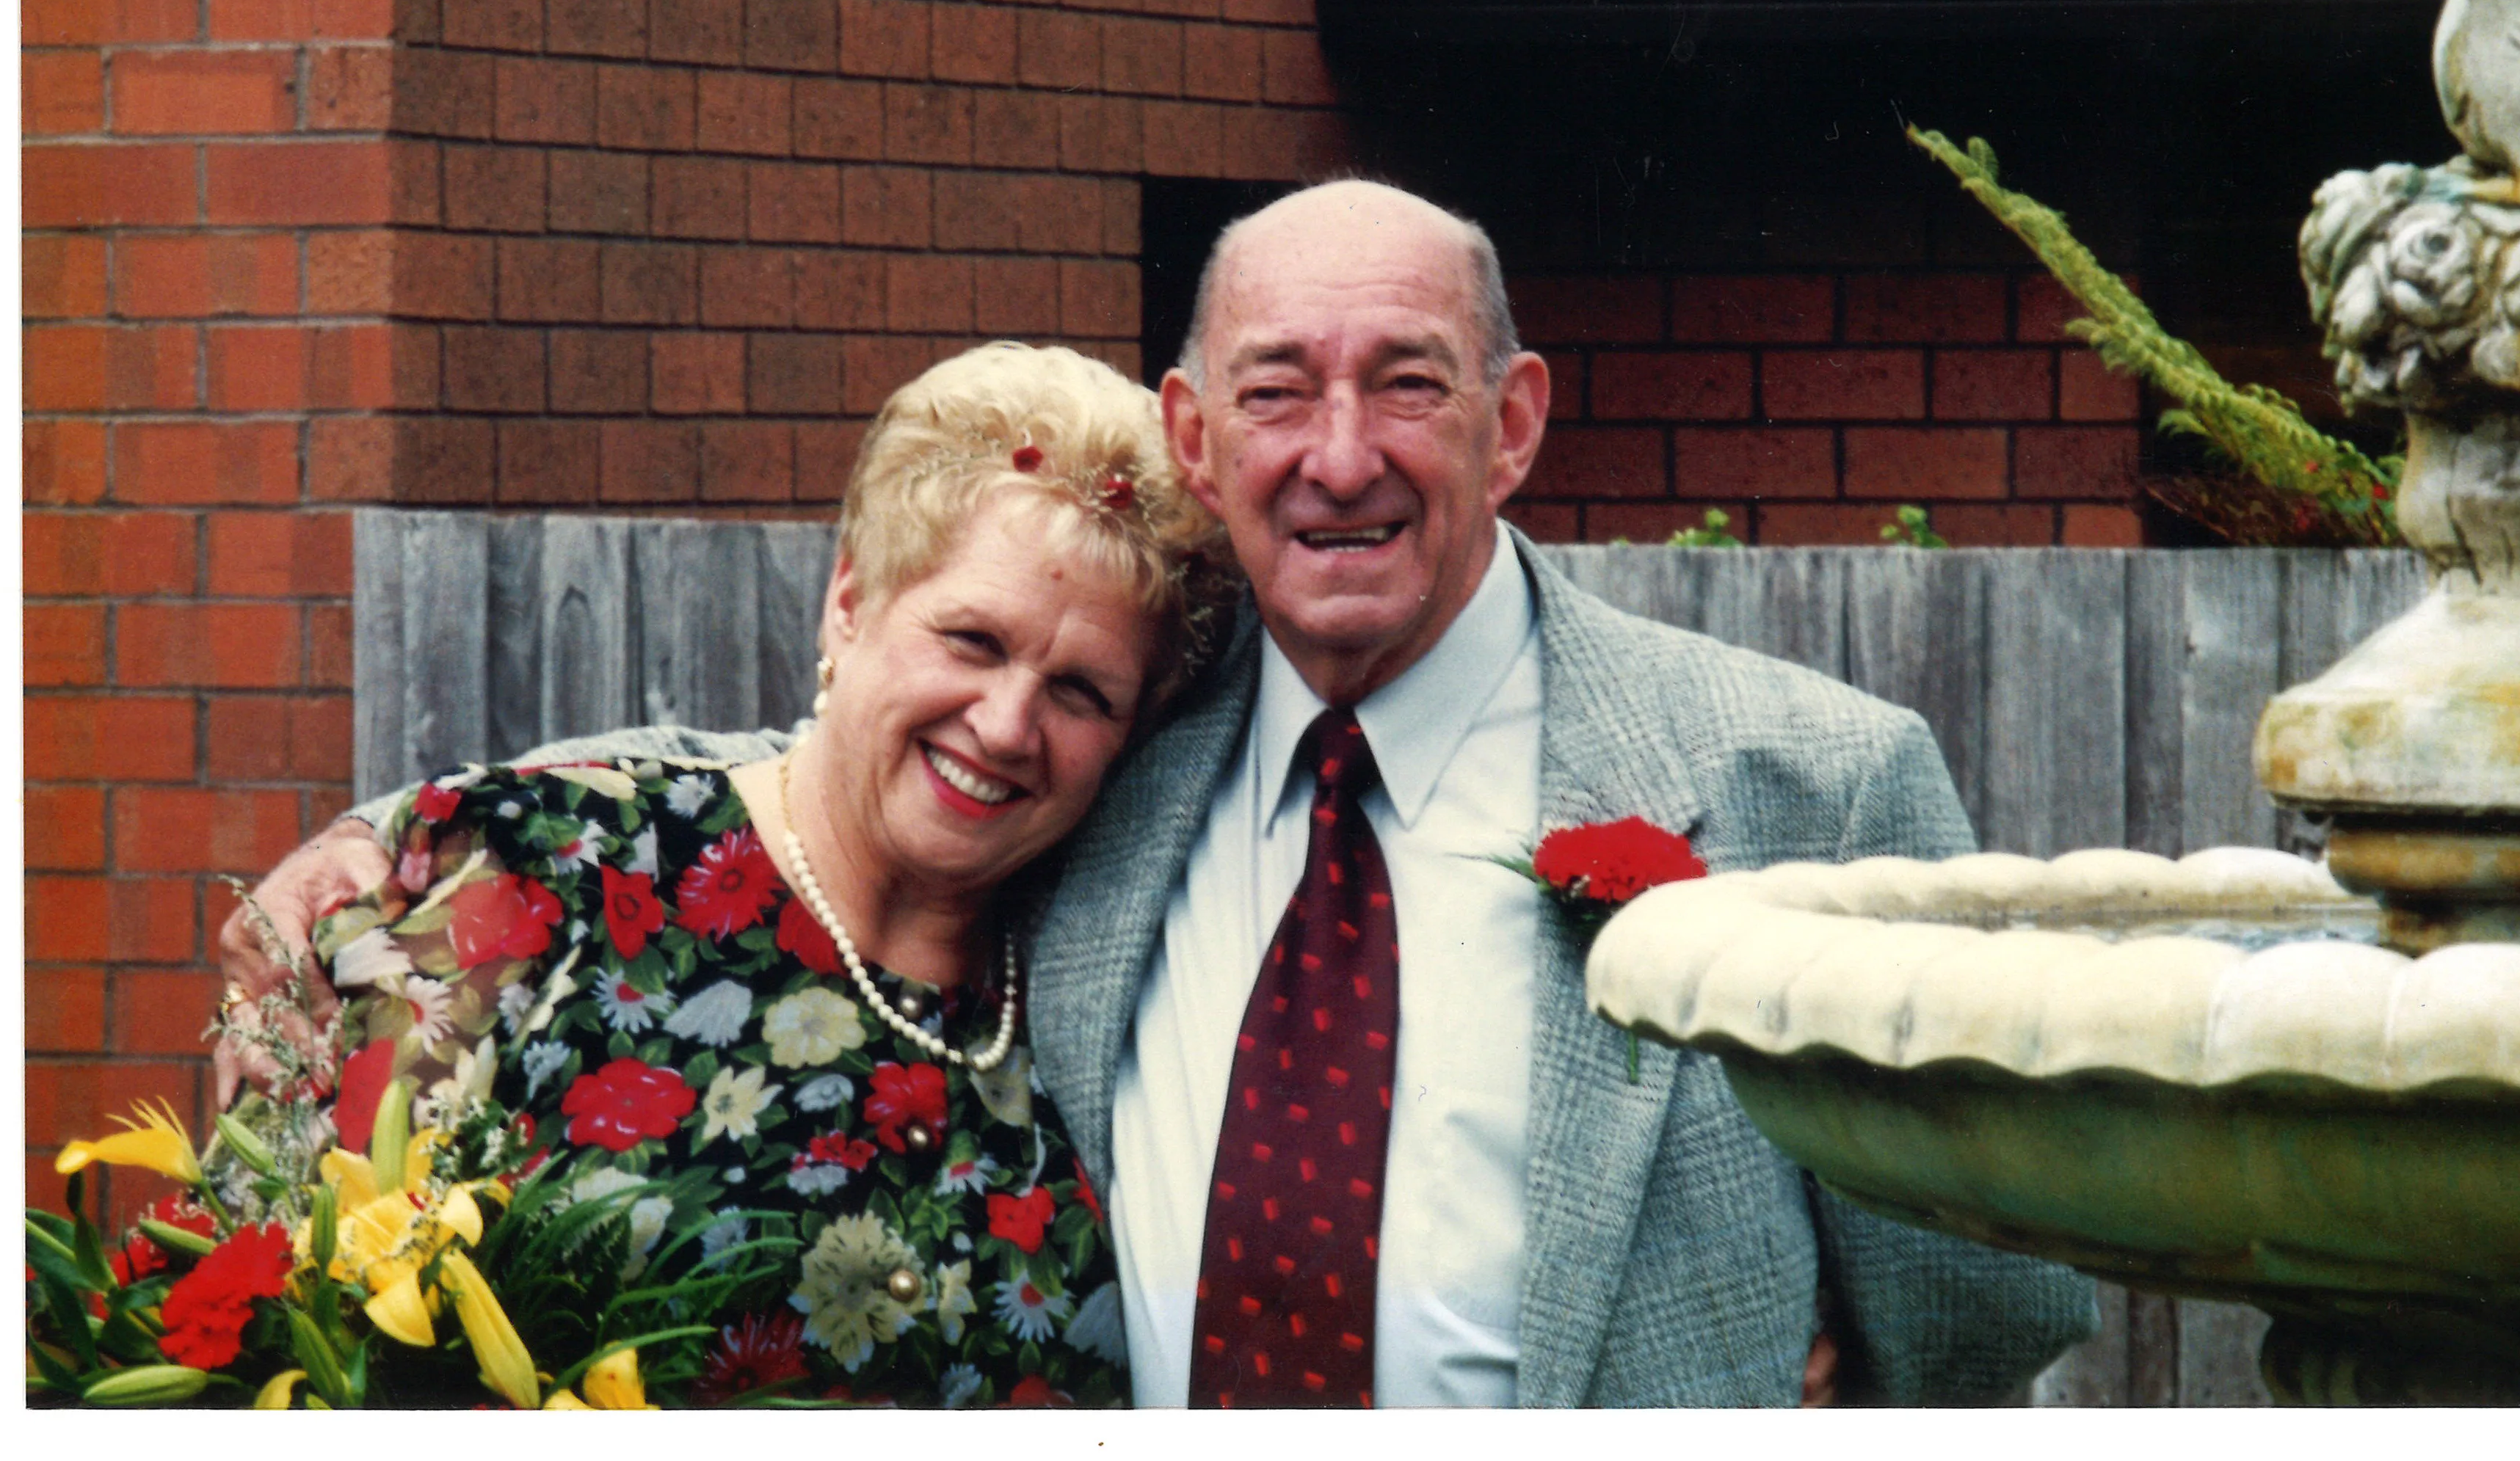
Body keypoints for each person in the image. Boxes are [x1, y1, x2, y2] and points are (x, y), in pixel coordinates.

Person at [229, 181, 2096, 1407]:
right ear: (1197, 438)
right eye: (1278, 390)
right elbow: (861, 799)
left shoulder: (1800, 781)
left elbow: (1987, 1319)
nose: (1340, 456)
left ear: (1513, 422)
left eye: (1409, 387)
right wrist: (433, 850)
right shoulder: (1124, 778)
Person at [226, 343, 1224, 1406]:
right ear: (849, 600)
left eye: (1081, 692)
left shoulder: (1114, 982)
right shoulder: (538, 871)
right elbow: (258, 1312)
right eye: (973, 640)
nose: (1008, 723)